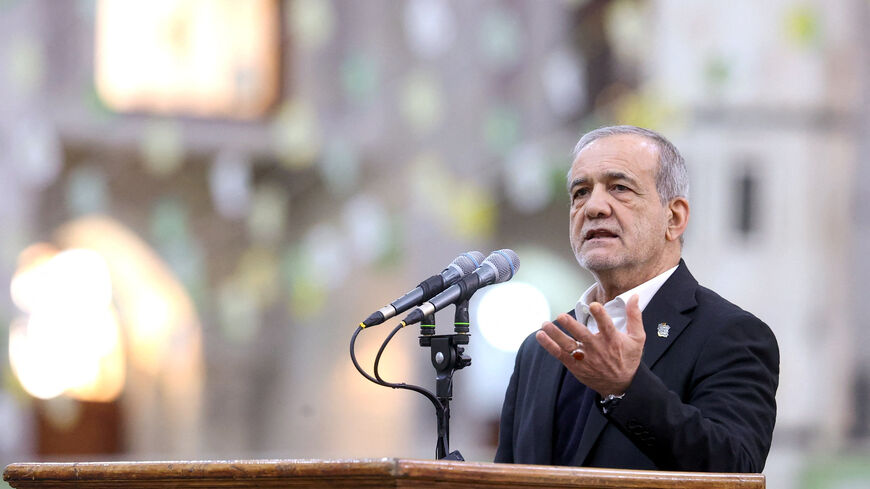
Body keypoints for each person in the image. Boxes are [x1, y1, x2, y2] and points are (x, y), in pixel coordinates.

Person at [494, 125, 779, 472]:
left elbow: (734, 468)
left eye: (619, 188)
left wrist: (627, 389)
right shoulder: (539, 350)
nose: (594, 206)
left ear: (674, 218)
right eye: (581, 192)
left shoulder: (730, 334)